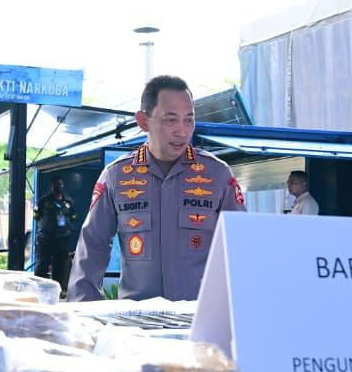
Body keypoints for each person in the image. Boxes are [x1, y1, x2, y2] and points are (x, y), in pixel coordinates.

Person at [69, 75, 245, 302]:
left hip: (197, 321)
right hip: (136, 324)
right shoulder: (117, 176)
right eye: (171, 120)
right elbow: (93, 245)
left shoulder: (217, 175)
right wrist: (84, 310)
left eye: (188, 120)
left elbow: (240, 248)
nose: (182, 131)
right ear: (143, 121)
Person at [34, 176, 77, 286]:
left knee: (60, 266)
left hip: (62, 240)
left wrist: (67, 230)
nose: (58, 187)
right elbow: (37, 216)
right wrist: (46, 227)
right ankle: (37, 288)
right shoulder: (44, 201)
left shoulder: (69, 201)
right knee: (43, 264)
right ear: (51, 187)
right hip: (47, 239)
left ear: (63, 186)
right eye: (55, 185)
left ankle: (58, 290)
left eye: (60, 184)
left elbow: (72, 218)